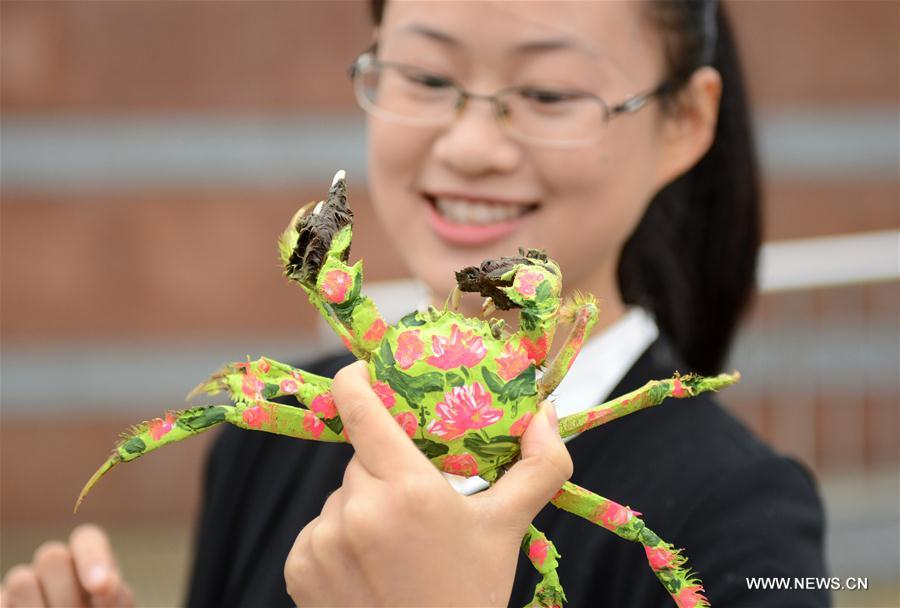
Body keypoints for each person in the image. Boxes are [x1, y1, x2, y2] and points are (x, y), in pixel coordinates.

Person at [1, 1, 829, 607]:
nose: (468, 145)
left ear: (685, 121)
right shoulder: (263, 452)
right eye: (427, 76)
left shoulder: (743, 521)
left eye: (547, 94)